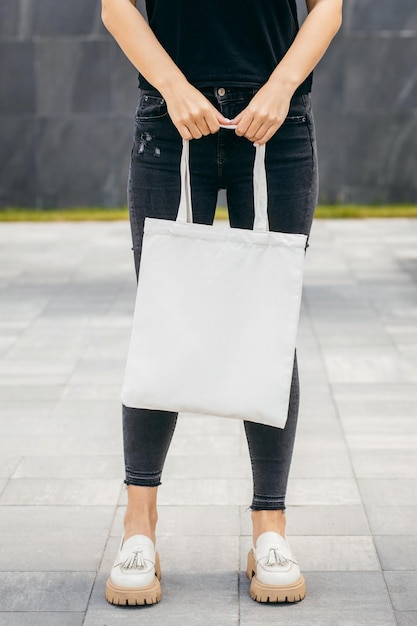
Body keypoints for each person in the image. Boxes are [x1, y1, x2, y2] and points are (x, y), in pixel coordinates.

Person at [101, 0, 343, 607]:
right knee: (166, 318)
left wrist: (282, 86)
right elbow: (115, 7)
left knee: (269, 321)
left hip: (277, 124)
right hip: (171, 119)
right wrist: (175, 88)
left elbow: (329, 7)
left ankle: (269, 528)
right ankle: (139, 527)